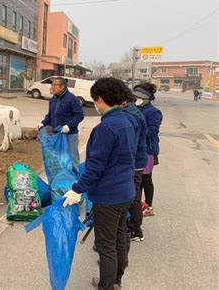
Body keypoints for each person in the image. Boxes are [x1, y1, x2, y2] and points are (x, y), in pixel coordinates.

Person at [63, 77, 136, 290]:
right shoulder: (128, 120)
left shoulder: (106, 127)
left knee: (106, 246)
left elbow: (95, 167)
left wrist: (76, 190)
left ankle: (107, 286)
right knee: (120, 237)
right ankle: (117, 281)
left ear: (101, 99)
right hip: (126, 191)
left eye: (95, 100)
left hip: (108, 196)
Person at [37, 77, 84, 174]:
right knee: (59, 158)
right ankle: (62, 181)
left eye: (55, 85)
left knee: (72, 157)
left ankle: (77, 181)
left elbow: (79, 115)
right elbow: (50, 115)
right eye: (52, 85)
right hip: (57, 135)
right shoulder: (53, 99)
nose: (52, 87)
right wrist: (43, 123)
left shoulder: (72, 99)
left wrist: (68, 126)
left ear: (62, 87)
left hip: (70, 134)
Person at [121, 87, 148, 242]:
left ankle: (135, 230)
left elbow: (132, 144)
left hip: (135, 162)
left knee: (133, 196)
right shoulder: (133, 112)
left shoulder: (131, 115)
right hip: (136, 161)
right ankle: (132, 227)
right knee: (133, 195)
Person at [133, 83, 163, 217]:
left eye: (139, 96)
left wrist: (134, 132)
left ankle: (149, 206)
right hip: (136, 148)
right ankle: (138, 203)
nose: (136, 98)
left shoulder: (153, 112)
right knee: (137, 179)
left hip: (148, 150)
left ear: (147, 97)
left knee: (146, 179)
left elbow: (152, 130)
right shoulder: (135, 108)